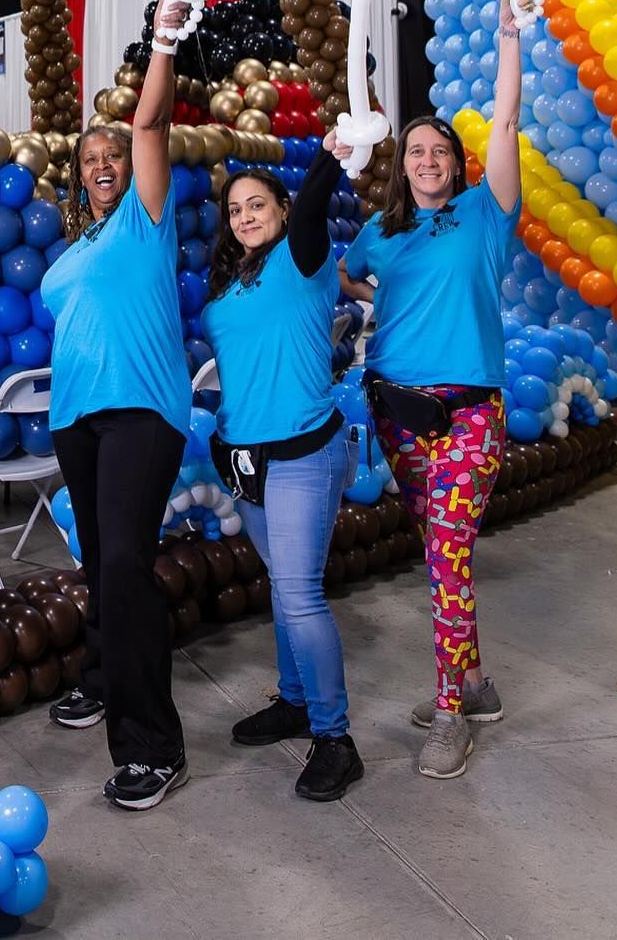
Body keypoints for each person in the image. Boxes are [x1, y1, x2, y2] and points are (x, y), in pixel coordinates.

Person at [339, 0, 523, 780]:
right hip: (397, 416)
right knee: (440, 555)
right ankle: (473, 683)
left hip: (469, 416)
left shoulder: (488, 212)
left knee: (448, 553)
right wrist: (376, 301)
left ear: (457, 161)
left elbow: (508, 120)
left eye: (438, 149)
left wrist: (510, 33)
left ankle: (449, 713)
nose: (426, 159)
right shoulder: (382, 233)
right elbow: (343, 279)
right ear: (401, 164)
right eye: (415, 150)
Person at [41, 0, 193, 812]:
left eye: (111, 153)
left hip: (143, 410)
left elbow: (148, 128)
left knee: (129, 562)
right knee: (101, 562)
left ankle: (152, 745)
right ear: (76, 176)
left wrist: (162, 39)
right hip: (77, 419)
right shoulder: (76, 249)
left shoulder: (146, 218)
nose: (102, 161)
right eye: (88, 157)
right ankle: (102, 677)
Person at [199, 129, 365, 801]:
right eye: (235, 207)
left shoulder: (304, 258)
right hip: (245, 460)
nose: (244, 214)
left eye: (256, 203)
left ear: (282, 208)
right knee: (280, 587)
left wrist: (332, 152)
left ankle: (335, 737)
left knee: (300, 594)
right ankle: (295, 699)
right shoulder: (231, 283)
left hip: (302, 454)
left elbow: (318, 198)